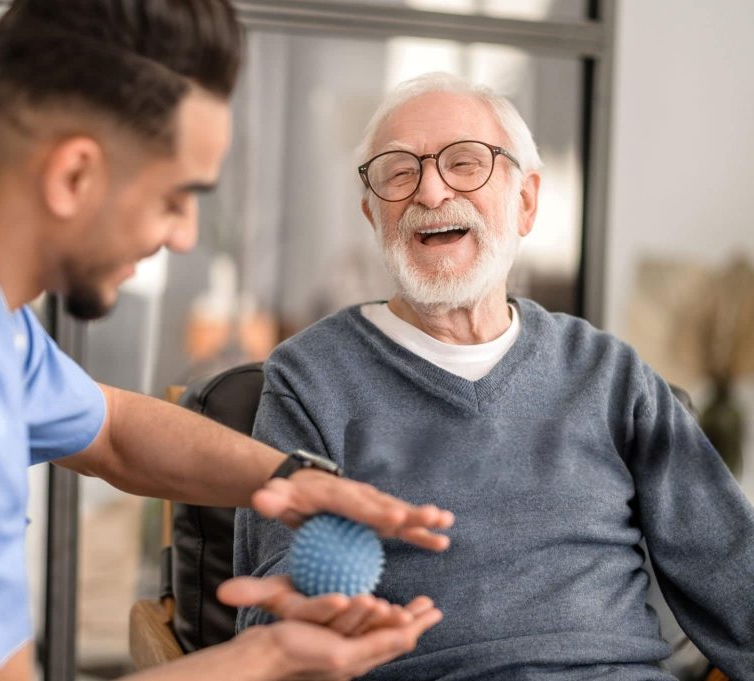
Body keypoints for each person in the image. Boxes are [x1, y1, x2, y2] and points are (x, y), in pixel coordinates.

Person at [0, 3, 458, 681]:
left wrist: (293, 480)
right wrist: (268, 655)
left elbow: (112, 431)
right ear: (74, 173)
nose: (184, 236)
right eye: (176, 197)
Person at [234, 72, 754, 680]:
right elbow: (275, 614)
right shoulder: (310, 379)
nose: (430, 191)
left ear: (526, 201)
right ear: (372, 214)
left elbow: (732, 574)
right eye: (398, 172)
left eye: (464, 163)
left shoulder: (611, 375)